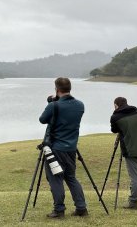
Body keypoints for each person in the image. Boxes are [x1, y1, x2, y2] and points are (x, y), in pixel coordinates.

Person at [39, 77, 88, 218]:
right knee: (71, 177)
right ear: (70, 88)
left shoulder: (54, 106)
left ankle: (59, 210)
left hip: (55, 148)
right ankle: (81, 208)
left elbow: (42, 120)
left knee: (56, 179)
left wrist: (52, 103)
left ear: (57, 89)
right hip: (71, 148)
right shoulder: (80, 105)